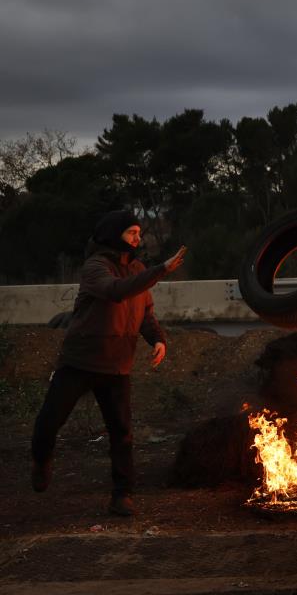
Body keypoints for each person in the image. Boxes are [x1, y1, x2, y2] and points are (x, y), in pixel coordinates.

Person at [30, 209, 186, 517]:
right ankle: (41, 460)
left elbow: (146, 314)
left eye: (139, 233)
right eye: (132, 232)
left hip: (117, 365)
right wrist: (160, 270)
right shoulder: (96, 267)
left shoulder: (138, 268)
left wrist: (158, 339)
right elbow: (115, 292)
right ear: (115, 235)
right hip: (80, 362)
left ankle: (122, 494)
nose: (138, 238)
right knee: (48, 423)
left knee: (122, 432)